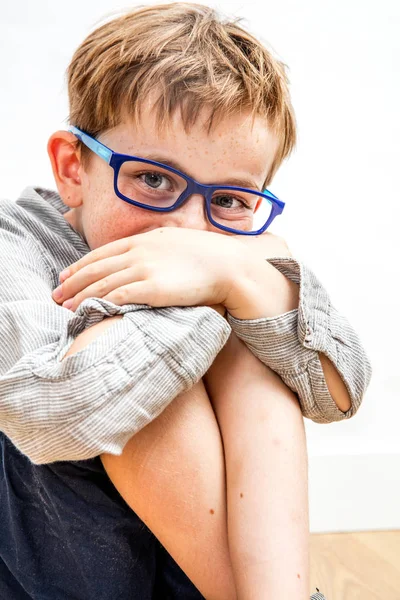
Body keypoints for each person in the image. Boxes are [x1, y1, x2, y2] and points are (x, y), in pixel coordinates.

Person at [0, 3, 372, 599]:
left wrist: (244, 278)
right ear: (74, 167)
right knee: (132, 359)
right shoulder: (11, 246)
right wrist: (214, 290)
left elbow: (338, 391)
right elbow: (50, 417)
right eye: (153, 179)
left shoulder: (232, 254)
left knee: (251, 347)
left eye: (228, 199)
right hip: (64, 573)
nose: (187, 229)